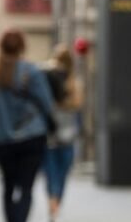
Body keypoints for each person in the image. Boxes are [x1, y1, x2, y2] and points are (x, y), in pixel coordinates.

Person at [0, 29, 55, 222]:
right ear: (22, 47)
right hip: (32, 137)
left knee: (8, 185)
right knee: (26, 186)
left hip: (4, 139)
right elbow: (47, 103)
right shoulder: (31, 72)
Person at [41, 44, 83, 222]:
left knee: (53, 170)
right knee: (59, 170)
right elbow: (77, 106)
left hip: (55, 132)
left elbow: (76, 104)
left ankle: (53, 199)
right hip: (63, 132)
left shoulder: (69, 81)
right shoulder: (52, 76)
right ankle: (55, 199)